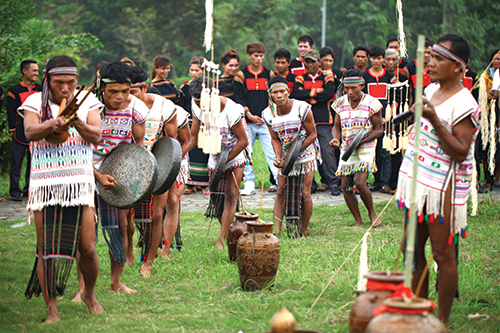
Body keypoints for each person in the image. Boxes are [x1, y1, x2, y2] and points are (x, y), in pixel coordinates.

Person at [396, 34, 480, 325]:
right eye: (430, 56)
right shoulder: (430, 90)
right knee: (412, 249)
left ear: (459, 67)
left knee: (442, 255)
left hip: (442, 186)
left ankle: (441, 322)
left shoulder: (465, 102)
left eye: (438, 58)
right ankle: (417, 310)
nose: (430, 63)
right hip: (420, 182)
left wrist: (432, 119)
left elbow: (460, 151)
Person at [22, 55, 104, 323]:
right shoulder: (34, 101)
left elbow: (96, 135)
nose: (65, 89)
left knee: (88, 248)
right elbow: (29, 132)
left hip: (79, 185)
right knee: (46, 249)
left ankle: (89, 294)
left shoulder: (89, 101)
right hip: (45, 185)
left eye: (70, 82)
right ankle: (52, 309)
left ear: (76, 80)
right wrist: (51, 124)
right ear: (48, 80)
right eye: (59, 83)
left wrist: (75, 120)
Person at [93, 61, 149, 293]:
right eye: (113, 91)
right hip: (87, 170)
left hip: (118, 173)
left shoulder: (136, 108)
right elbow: (77, 147)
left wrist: (134, 176)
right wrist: (96, 175)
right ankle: (83, 288)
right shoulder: (90, 108)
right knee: (85, 233)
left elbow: (138, 145)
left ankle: (116, 282)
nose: (119, 97)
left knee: (118, 228)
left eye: (125, 91)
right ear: (101, 87)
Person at [189, 76, 251, 248]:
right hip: (216, 154)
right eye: (198, 102)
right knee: (217, 199)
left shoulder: (232, 110)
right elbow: (193, 136)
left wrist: (225, 160)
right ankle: (231, 229)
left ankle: (221, 238)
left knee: (231, 194)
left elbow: (243, 141)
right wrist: (181, 152)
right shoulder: (197, 104)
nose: (203, 106)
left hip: (235, 150)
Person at [128, 65, 177, 277]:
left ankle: (148, 262)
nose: (126, 96)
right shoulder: (121, 106)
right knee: (127, 216)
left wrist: (165, 171)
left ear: (144, 87)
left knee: (157, 214)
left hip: (158, 166)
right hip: (129, 165)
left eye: (131, 91)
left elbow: (170, 144)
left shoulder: (164, 106)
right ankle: (129, 252)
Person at [263, 76, 318, 237]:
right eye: (275, 92)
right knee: (280, 190)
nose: (279, 95)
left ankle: (304, 228)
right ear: (270, 94)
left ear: (288, 92)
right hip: (286, 155)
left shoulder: (302, 108)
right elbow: (275, 138)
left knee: (304, 192)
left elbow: (312, 134)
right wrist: (279, 157)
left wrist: (295, 153)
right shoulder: (268, 114)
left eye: (282, 91)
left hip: (305, 153)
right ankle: (277, 231)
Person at [330, 69, 383, 226]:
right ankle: (358, 220)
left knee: (360, 183)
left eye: (353, 88)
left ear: (362, 85)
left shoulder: (372, 103)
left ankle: (372, 214)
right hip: (346, 146)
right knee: (345, 185)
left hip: (366, 145)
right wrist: (335, 139)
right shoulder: (340, 102)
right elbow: (336, 126)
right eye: (346, 88)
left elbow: (379, 129)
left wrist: (362, 140)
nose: (349, 91)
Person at [234, 42, 278, 195]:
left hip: (266, 121)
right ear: (249, 56)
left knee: (273, 151)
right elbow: (238, 98)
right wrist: (250, 115)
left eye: (261, 56)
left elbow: (274, 97)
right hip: (247, 122)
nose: (259, 59)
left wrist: (267, 116)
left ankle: (280, 181)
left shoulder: (270, 75)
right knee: (247, 152)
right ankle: (249, 183)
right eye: (256, 56)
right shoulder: (241, 75)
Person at [294, 49, 340, 196]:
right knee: (307, 154)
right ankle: (311, 185)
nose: (310, 64)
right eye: (307, 61)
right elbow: (296, 95)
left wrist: (309, 98)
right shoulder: (300, 78)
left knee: (327, 153)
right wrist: (315, 92)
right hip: (304, 122)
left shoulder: (327, 76)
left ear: (319, 62)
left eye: (313, 61)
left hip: (324, 121)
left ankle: (333, 183)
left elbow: (328, 94)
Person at [363, 46, 397, 193]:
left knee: (386, 153)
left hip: (387, 121)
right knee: (373, 152)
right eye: (373, 58)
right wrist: (373, 118)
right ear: (370, 59)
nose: (376, 61)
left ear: (383, 59)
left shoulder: (390, 77)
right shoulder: (365, 77)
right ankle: (376, 182)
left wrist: (388, 117)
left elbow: (396, 99)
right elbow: (363, 100)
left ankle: (385, 183)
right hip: (370, 121)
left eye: (379, 58)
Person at [7, 59, 42, 201]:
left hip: (36, 131)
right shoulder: (14, 91)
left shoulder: (40, 89)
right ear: (24, 71)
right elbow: (10, 111)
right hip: (19, 133)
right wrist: (12, 128)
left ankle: (29, 188)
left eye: (37, 71)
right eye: (34, 70)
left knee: (33, 162)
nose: (36, 73)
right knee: (16, 162)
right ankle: (15, 190)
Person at [161, 104, 192, 259]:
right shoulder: (136, 111)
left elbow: (187, 140)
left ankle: (166, 249)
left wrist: (174, 161)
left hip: (177, 161)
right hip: (151, 162)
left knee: (173, 201)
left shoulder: (177, 113)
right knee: (154, 206)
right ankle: (151, 245)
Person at [177, 56, 210, 195]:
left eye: (197, 70)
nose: (194, 72)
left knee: (204, 152)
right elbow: (180, 104)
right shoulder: (185, 87)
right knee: (190, 152)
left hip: (205, 122)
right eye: (192, 70)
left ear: (203, 71)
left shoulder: (208, 87)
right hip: (189, 122)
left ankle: (204, 186)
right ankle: (190, 185)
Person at [384, 48, 409, 193]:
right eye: (388, 59)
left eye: (394, 59)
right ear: (384, 60)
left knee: (398, 150)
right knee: (383, 152)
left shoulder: (402, 76)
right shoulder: (381, 76)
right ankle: (383, 182)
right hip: (382, 117)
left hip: (399, 118)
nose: (391, 62)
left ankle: (396, 183)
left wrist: (392, 114)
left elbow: (402, 97)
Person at [476, 49, 500, 192]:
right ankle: (487, 178)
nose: (497, 61)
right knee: (487, 144)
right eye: (495, 59)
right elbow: (486, 94)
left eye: (499, 59)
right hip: (488, 113)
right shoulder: (486, 75)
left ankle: (494, 178)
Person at [403, 38, 433, 105]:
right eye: (423, 52)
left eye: (429, 52)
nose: (426, 55)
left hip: (433, 107)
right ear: (417, 52)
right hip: (414, 108)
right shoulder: (409, 69)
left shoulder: (436, 68)